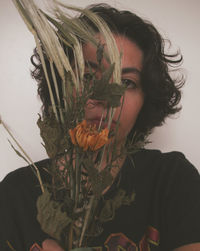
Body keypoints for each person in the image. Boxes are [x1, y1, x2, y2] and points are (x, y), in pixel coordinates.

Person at [1, 3, 200, 251]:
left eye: (126, 83)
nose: (106, 97)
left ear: (146, 99)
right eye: (86, 77)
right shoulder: (15, 194)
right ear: (60, 86)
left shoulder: (172, 180)